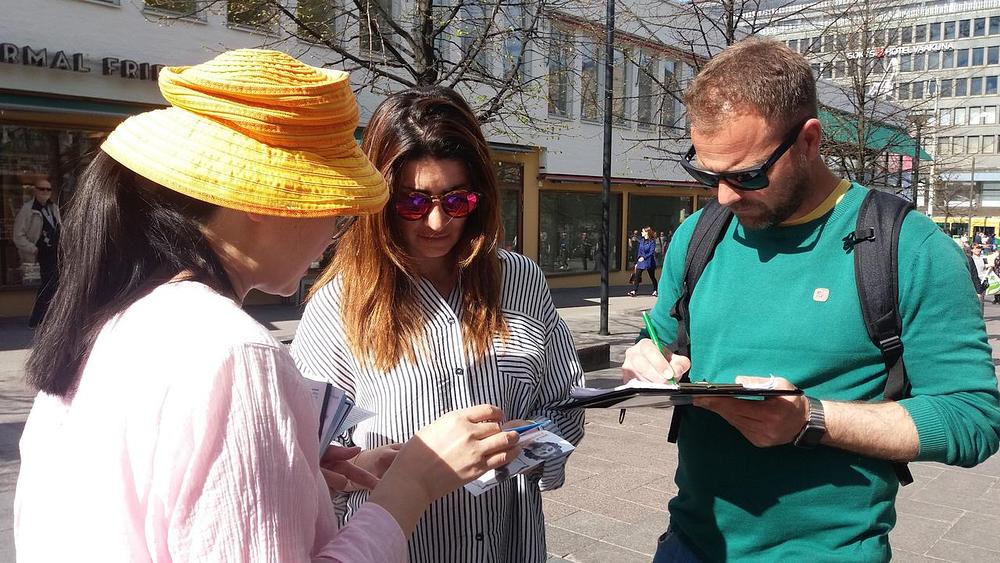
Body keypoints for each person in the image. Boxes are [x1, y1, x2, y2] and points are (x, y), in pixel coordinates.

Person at [14, 49, 522, 562]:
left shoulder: (119, 321)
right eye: (333, 203)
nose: (336, 230)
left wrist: (296, 481)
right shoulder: (234, 354)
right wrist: (410, 487)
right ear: (264, 200)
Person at [622, 38, 1000, 562]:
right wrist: (646, 356)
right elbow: (660, 334)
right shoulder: (698, 234)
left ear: (809, 140)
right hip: (689, 541)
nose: (725, 196)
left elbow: (972, 417)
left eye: (747, 174)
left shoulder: (909, 247)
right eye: (707, 173)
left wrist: (811, 419)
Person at [290, 86, 585, 563]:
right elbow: (310, 454)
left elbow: (563, 404)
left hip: (509, 544)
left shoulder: (521, 280)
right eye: (412, 202)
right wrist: (368, 467)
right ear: (381, 201)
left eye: (456, 201)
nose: (435, 222)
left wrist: (527, 446)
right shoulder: (340, 303)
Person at [13, 178, 61, 327]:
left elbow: (59, 227)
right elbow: (18, 235)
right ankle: (37, 319)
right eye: (42, 189)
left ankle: (49, 319)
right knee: (48, 285)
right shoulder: (28, 209)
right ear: (35, 190)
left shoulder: (53, 207)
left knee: (56, 285)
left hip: (56, 252)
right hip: (41, 253)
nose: (45, 192)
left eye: (48, 189)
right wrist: (33, 249)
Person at [628, 226, 658, 297]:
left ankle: (655, 290)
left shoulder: (652, 242)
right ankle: (634, 291)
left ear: (647, 232)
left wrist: (644, 257)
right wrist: (637, 261)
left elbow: (651, 252)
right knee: (637, 276)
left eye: (643, 231)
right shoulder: (642, 241)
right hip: (641, 261)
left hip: (649, 261)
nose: (641, 233)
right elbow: (639, 251)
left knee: (652, 276)